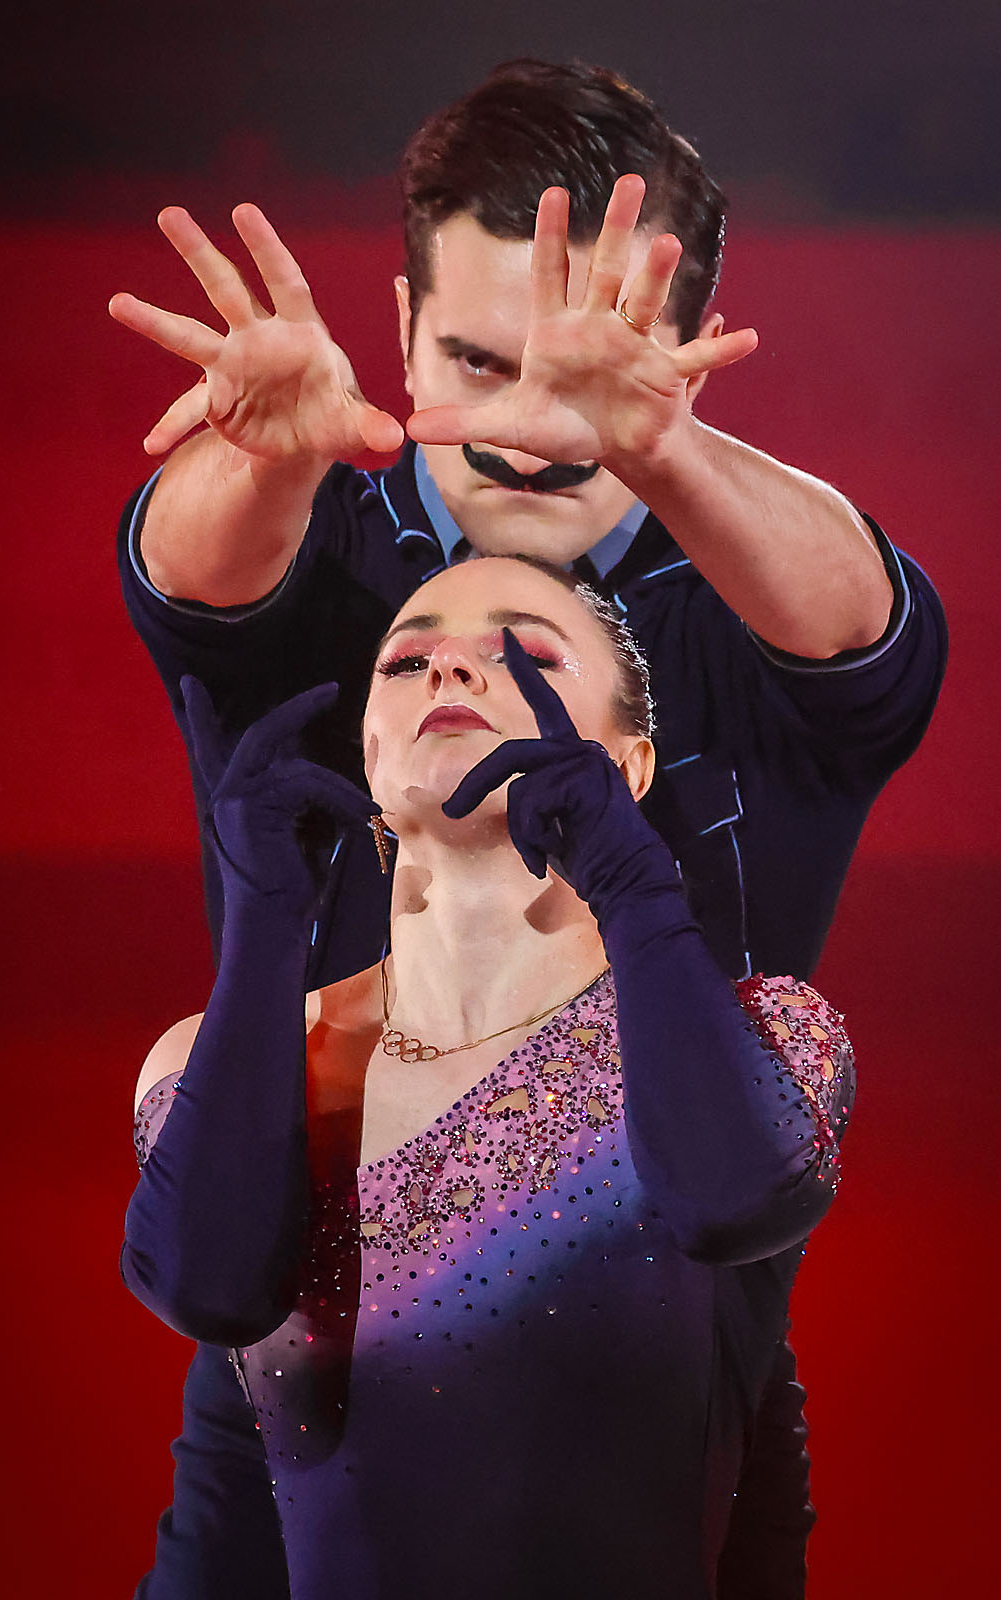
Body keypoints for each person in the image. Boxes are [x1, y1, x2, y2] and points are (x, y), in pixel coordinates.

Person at [110, 58, 945, 1599]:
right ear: (401, 326)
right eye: (476, 362)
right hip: (282, 1409)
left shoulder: (741, 613)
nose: (526, 430)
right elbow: (196, 589)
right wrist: (267, 448)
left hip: (679, 1416)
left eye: (578, 377)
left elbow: (871, 644)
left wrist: (662, 448)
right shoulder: (324, 553)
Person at [124, 556, 856, 1600]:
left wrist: (631, 876)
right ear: (367, 754)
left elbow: (728, 1198)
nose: (450, 670)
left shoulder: (765, 1033)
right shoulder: (214, 1058)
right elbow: (210, 1284)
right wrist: (266, 922)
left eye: (524, 653)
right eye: (406, 660)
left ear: (629, 764)